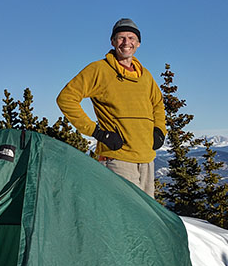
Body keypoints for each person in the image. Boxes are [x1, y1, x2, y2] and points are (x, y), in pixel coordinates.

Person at [56, 18, 165, 197]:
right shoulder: (99, 70)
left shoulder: (145, 75)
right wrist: (98, 132)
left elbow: (158, 104)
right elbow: (66, 98)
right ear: (113, 42)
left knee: (145, 219)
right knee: (123, 218)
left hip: (146, 159)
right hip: (117, 158)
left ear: (138, 43)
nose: (126, 42)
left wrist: (159, 130)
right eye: (121, 37)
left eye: (131, 38)